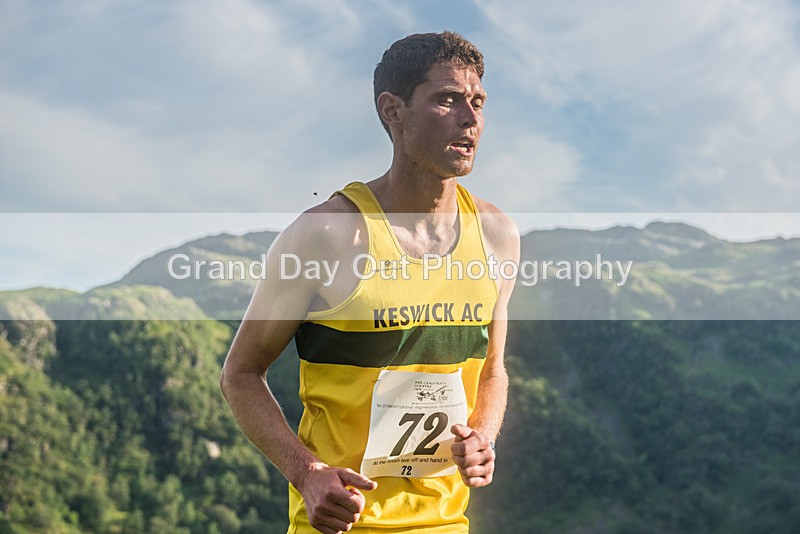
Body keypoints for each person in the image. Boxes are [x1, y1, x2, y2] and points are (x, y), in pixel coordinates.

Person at [220, 31, 519, 533]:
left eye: (478, 102)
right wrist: (308, 474)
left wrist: (483, 437)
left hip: (445, 525)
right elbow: (241, 375)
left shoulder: (497, 235)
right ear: (393, 111)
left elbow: (493, 372)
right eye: (447, 100)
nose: (471, 120)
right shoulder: (325, 234)